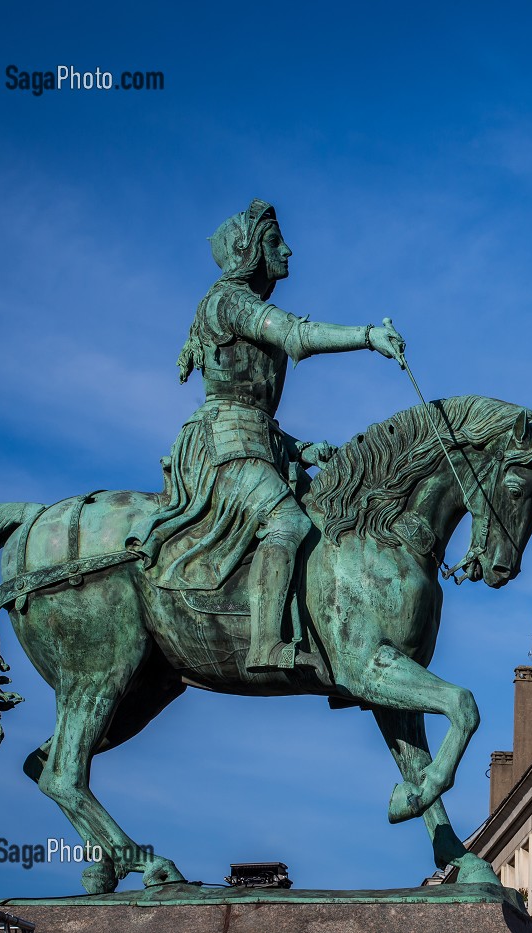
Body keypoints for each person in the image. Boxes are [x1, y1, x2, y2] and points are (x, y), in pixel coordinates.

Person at [128, 199, 405, 672]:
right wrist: (367, 336)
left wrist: (301, 447)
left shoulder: (240, 303)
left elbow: (254, 408)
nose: (289, 250)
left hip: (254, 439)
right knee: (290, 523)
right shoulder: (230, 301)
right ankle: (264, 645)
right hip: (223, 444)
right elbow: (296, 335)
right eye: (275, 242)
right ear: (248, 250)